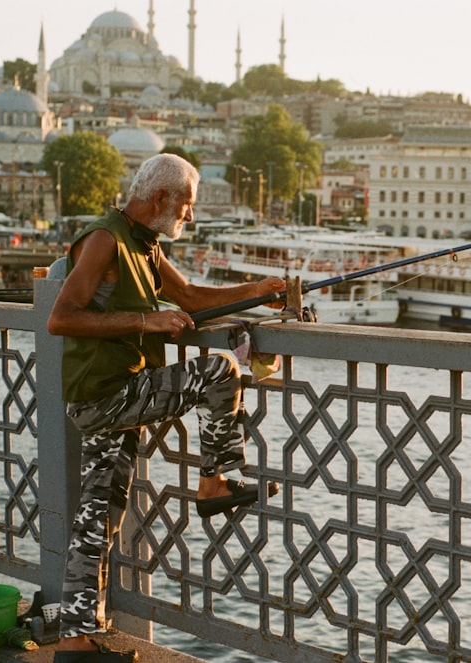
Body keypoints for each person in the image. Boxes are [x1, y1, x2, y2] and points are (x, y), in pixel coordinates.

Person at [46, 153, 286, 661]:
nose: (190, 217)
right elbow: (61, 318)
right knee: (220, 369)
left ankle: (74, 640)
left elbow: (194, 298)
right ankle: (215, 481)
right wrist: (145, 323)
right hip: (104, 394)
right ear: (160, 199)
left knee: (97, 517)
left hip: (110, 396)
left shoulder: (145, 245)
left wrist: (259, 293)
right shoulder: (104, 241)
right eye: (187, 206)